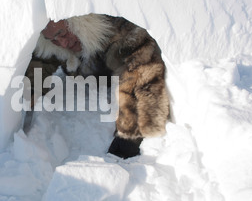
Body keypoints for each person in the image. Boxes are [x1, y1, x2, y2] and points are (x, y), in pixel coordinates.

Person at [24, 13, 170, 159]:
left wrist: (131, 132)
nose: (63, 43)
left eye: (61, 33)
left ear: (78, 23)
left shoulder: (120, 33)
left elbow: (144, 75)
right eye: (53, 40)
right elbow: (41, 62)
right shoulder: (60, 43)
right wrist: (30, 91)